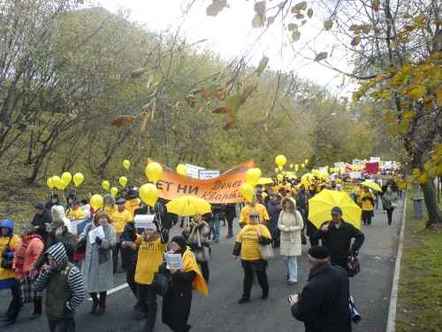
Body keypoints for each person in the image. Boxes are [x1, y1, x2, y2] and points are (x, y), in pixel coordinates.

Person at [291, 246, 352, 332]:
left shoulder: (313, 286)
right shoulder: (341, 272)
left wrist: (294, 304)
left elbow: (303, 313)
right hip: (343, 325)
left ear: (311, 261)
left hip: (322, 327)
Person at [122, 222, 167, 330]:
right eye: (146, 230)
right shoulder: (141, 239)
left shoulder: (158, 242)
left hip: (153, 277)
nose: (148, 232)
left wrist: (164, 232)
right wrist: (126, 243)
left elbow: (164, 241)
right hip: (140, 276)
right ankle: (143, 312)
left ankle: (149, 325)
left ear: (155, 231)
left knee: (152, 302)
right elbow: (134, 245)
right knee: (142, 299)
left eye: (151, 230)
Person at [34, 242, 87, 332]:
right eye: (49, 260)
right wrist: (44, 274)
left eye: (53, 260)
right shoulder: (50, 270)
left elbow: (80, 294)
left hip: (64, 316)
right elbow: (37, 287)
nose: (50, 263)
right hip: (51, 313)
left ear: (61, 259)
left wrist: (69, 306)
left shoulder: (72, 272)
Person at [162, 236, 208, 332]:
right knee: (167, 317)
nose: (172, 246)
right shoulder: (171, 254)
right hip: (171, 290)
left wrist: (177, 272)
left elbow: (190, 276)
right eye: (171, 244)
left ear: (180, 246)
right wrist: (165, 263)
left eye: (175, 245)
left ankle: (182, 328)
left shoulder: (189, 256)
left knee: (179, 318)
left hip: (183, 292)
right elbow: (163, 270)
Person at [79, 212, 116, 315]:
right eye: (100, 218)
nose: (103, 220)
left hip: (102, 261)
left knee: (101, 284)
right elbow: (83, 235)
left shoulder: (110, 228)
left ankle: (102, 305)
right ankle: (95, 301)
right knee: (88, 283)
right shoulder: (89, 226)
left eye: (105, 218)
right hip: (89, 259)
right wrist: (81, 239)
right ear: (96, 219)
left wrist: (102, 242)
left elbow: (113, 243)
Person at [233, 210, 272, 304]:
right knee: (247, 277)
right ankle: (245, 296)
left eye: (255, 217)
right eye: (251, 217)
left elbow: (268, 241)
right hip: (246, 257)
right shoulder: (245, 228)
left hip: (258, 258)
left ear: (258, 218)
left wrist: (260, 238)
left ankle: (265, 292)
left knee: (261, 276)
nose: (252, 219)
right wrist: (235, 253)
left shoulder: (262, 228)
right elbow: (238, 241)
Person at [13, 225, 45, 320]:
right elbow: (17, 254)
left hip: (33, 271)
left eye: (22, 230)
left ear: (28, 232)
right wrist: (15, 266)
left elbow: (38, 257)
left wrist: (33, 268)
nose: (20, 232)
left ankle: (37, 311)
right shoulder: (23, 241)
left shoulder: (36, 242)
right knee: (30, 291)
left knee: (36, 292)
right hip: (25, 271)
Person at [0, 219, 22, 327]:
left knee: (17, 294)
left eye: (5, 229)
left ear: (10, 229)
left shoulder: (15, 239)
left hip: (12, 272)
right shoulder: (1, 237)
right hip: (2, 271)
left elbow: (20, 253)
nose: (3, 230)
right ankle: (10, 313)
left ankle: (13, 316)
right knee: (15, 294)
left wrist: (9, 254)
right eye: (2, 228)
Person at [278, 198, 304, 285]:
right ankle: (290, 271)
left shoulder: (297, 213)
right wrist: (284, 228)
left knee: (293, 259)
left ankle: (293, 278)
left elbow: (301, 225)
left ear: (292, 204)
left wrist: (291, 229)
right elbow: (279, 224)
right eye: (285, 203)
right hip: (284, 238)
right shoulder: (282, 212)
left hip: (294, 238)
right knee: (285, 258)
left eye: (289, 202)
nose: (287, 204)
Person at [183, 214, 211, 282]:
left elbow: (206, 233)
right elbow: (189, 238)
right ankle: (194, 280)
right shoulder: (190, 225)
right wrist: (193, 228)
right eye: (194, 216)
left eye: (198, 216)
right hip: (193, 247)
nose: (196, 217)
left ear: (201, 217)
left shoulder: (204, 224)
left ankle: (205, 279)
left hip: (203, 247)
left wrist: (199, 226)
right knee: (193, 265)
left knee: (204, 265)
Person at [111, 198, 133, 273]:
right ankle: (113, 268)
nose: (120, 205)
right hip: (115, 235)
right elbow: (111, 222)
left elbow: (130, 224)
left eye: (122, 204)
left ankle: (124, 267)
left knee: (124, 252)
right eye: (119, 204)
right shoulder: (114, 213)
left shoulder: (127, 213)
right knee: (114, 252)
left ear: (124, 204)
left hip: (123, 235)